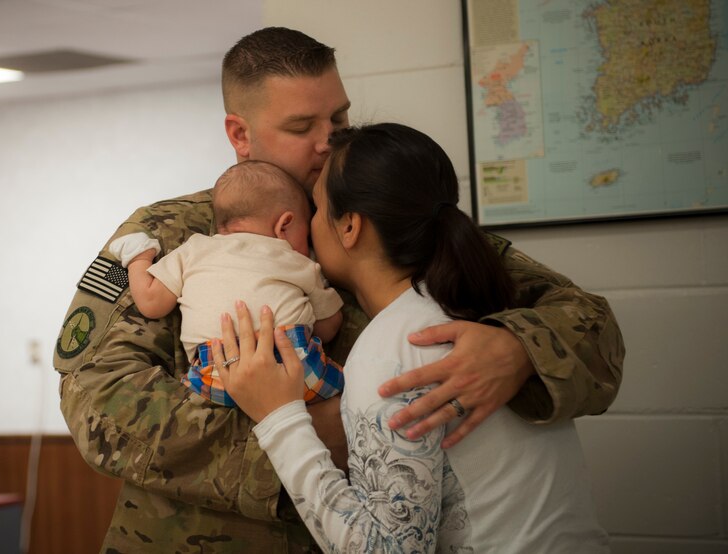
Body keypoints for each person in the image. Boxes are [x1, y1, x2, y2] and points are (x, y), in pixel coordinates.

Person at [53, 27, 624, 552]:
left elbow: (589, 325)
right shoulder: (176, 234)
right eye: (303, 128)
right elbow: (99, 403)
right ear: (240, 134)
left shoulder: (393, 212)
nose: (330, 142)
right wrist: (313, 434)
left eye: (340, 121)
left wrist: (519, 348)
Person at [215, 123, 610, 552]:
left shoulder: (392, 354)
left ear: (349, 227)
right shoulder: (486, 312)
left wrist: (279, 418)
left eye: (315, 208)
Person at [121, 160, 345, 408]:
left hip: (214, 374)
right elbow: (329, 327)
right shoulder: (294, 258)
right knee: (352, 395)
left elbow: (151, 302)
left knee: (187, 405)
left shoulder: (194, 249)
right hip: (296, 368)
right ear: (285, 225)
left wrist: (139, 259)